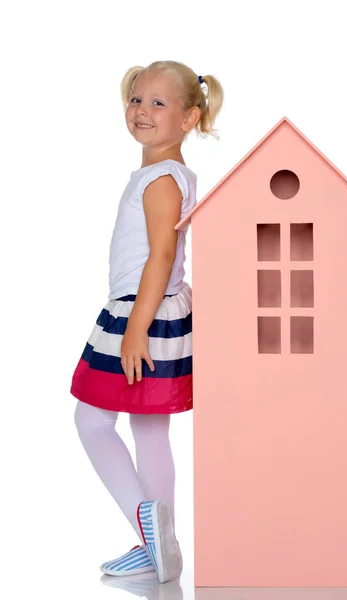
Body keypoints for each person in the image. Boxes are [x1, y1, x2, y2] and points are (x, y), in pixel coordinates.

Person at [70, 60, 224, 584]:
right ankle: (159, 547)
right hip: (161, 309)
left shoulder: (161, 179)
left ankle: (148, 527)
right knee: (150, 431)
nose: (143, 110)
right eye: (138, 99)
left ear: (189, 118)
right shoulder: (171, 174)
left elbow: (162, 255)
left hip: (142, 310)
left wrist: (136, 327)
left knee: (91, 421)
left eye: (159, 102)